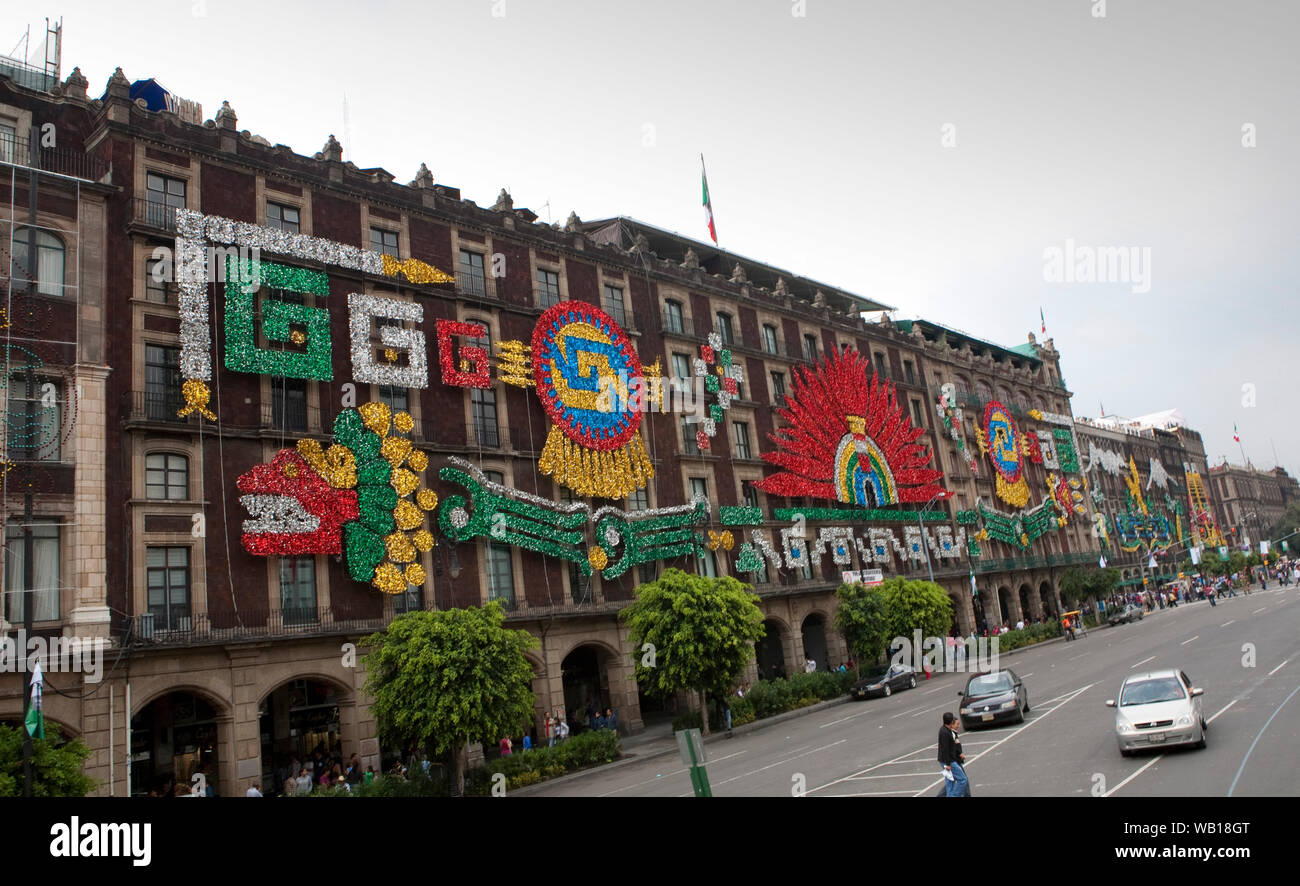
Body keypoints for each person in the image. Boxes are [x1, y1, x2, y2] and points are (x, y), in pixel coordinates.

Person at [937, 712, 969, 797]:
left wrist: (959, 753)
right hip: (949, 761)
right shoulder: (945, 733)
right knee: (963, 779)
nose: (958, 725)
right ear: (951, 722)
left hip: (948, 760)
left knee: (950, 781)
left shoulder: (946, 730)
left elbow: (953, 746)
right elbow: (945, 750)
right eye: (956, 723)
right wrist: (947, 764)